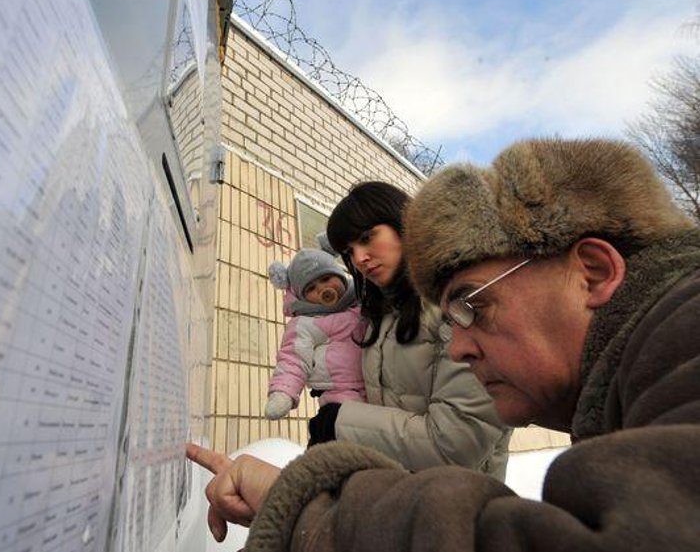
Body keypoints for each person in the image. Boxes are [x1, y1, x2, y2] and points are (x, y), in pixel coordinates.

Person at [187, 138, 700, 551]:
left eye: (470, 304)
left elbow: (458, 444)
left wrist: (319, 472)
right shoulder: (375, 318)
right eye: (348, 250)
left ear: (592, 272)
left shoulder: (684, 338)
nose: (459, 347)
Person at [309, 181, 509, 475]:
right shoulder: (382, 316)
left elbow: (456, 445)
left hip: (458, 507)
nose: (360, 258)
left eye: (367, 237)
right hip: (398, 501)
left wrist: (339, 422)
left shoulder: (461, 306)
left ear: (403, 224)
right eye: (349, 252)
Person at [263, 247, 368, 447]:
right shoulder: (305, 323)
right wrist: (283, 393)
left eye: (327, 278)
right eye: (310, 288)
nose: (321, 289)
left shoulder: (363, 301)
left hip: (379, 388)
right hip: (340, 396)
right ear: (301, 297)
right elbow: (293, 360)